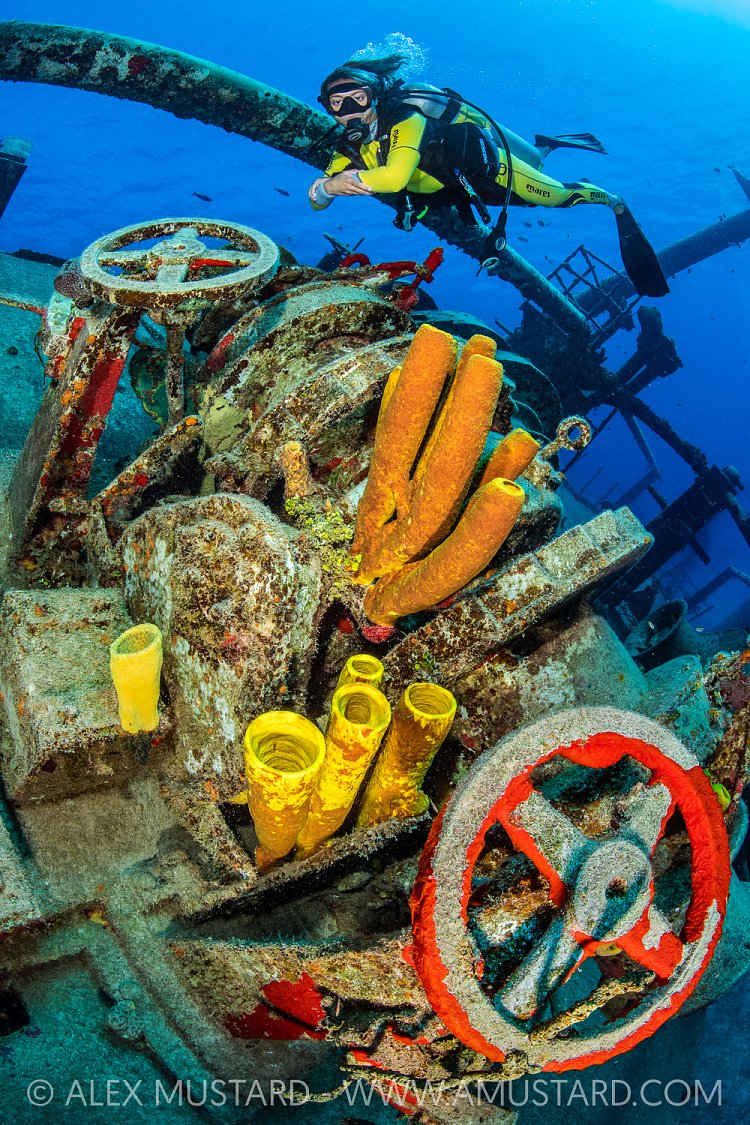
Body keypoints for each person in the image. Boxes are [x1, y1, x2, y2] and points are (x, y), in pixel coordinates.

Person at [308, 54, 668, 297]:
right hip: (450, 187)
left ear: (376, 96)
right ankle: (544, 147)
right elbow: (317, 203)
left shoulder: (407, 119)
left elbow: (396, 177)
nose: (349, 112)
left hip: (490, 173)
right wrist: (326, 187)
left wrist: (334, 185)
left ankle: (613, 200)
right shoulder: (349, 146)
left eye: (357, 98)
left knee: (558, 196)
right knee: (536, 163)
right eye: (336, 105)